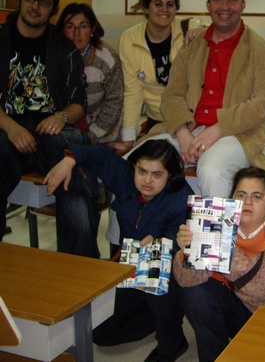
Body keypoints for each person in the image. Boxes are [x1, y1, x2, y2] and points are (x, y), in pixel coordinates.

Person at [45, 140, 193, 362]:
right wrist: (69, 160)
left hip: (165, 272)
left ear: (170, 175)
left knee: (159, 280)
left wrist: (163, 242)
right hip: (129, 266)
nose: (147, 180)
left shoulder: (182, 196)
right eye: (142, 171)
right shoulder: (125, 180)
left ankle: (171, 342)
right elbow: (101, 155)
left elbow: (183, 240)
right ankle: (154, 318)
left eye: (157, 174)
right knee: (100, 333)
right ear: (133, 167)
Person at [141, 0, 265, 198]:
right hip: (189, 129)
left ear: (243, 5)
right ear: (208, 5)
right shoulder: (192, 47)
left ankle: (216, 234)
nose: (225, 6)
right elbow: (171, 96)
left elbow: (263, 104)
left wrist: (219, 128)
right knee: (136, 161)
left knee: (213, 170)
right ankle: (131, 233)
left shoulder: (263, 49)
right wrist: (182, 132)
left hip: (238, 134)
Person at [0, 0, 100, 257]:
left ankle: (78, 265)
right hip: (8, 130)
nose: (35, 6)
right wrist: (10, 127)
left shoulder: (64, 48)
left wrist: (61, 117)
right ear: (19, 0)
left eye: (44, 3)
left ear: (53, 11)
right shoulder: (1, 40)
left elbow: (78, 102)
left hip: (52, 130)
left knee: (74, 170)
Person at [174, 167, 265, 362]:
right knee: (195, 293)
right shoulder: (218, 228)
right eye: (241, 195)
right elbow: (186, 281)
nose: (247, 202)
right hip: (241, 311)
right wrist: (187, 251)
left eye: (257, 196)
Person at [119, 0, 204, 150]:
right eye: (158, 4)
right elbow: (133, 91)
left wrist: (202, 30)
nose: (164, 9)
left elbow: (210, 28)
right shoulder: (129, 39)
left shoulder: (188, 29)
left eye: (170, 4)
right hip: (157, 118)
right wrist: (128, 137)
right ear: (146, 8)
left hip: (191, 118)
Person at [57, 3, 124, 144]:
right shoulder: (53, 56)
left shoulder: (107, 59)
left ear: (92, 29)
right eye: (70, 26)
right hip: (61, 131)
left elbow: (115, 101)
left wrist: (92, 136)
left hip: (103, 135)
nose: (76, 33)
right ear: (62, 29)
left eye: (83, 26)